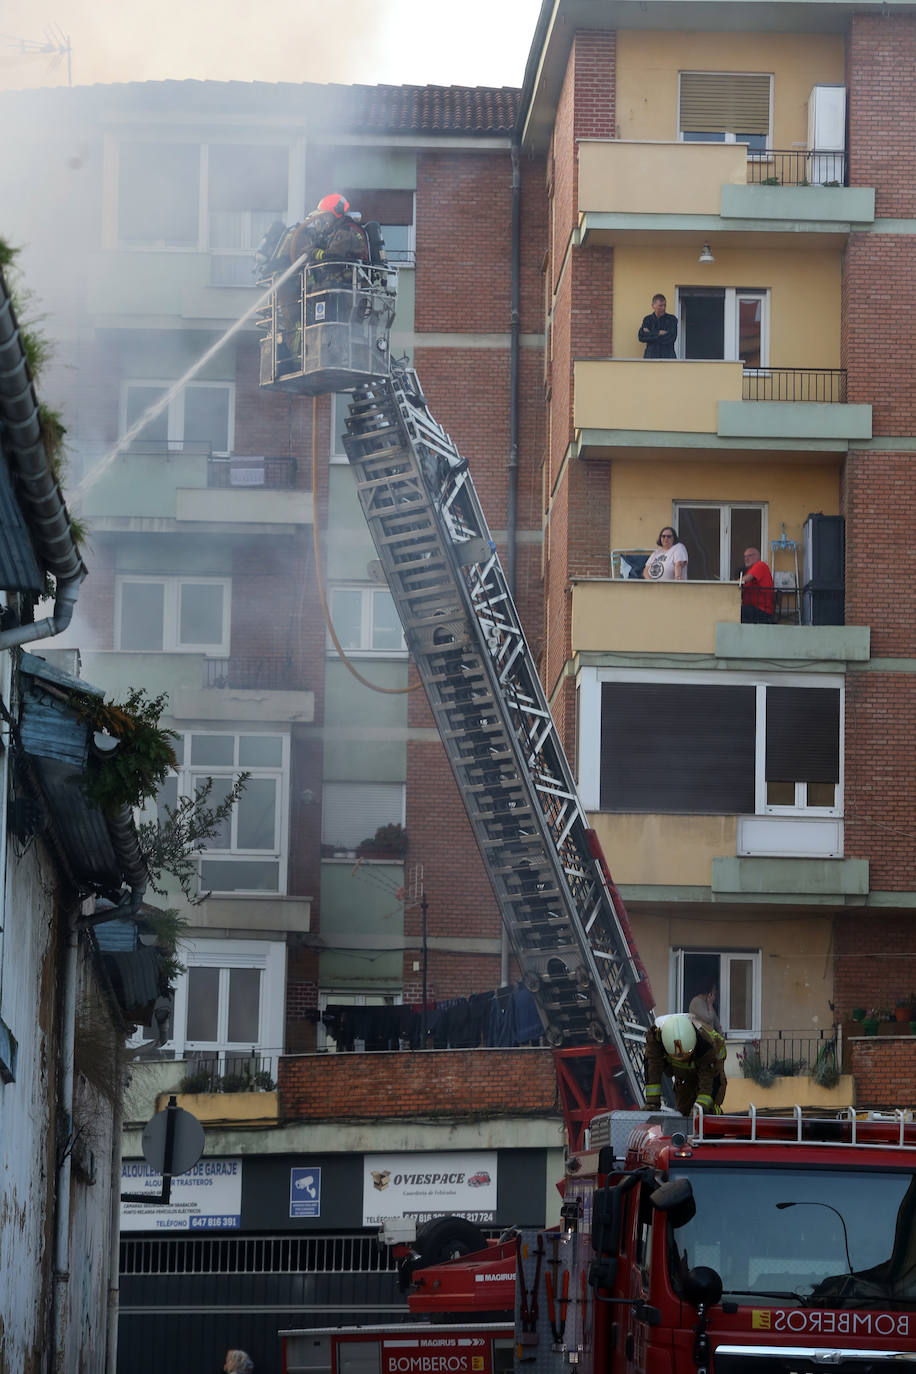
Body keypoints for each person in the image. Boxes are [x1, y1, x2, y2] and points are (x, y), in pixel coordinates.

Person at [644, 1013, 727, 1115]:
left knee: (708, 1109)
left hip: (712, 1071)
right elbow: (653, 1069)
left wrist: (701, 1107)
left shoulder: (706, 1044)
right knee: (684, 1110)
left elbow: (708, 1082)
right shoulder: (655, 1038)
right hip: (684, 1076)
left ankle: (715, 1121)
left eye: (686, 1055)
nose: (682, 1060)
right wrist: (652, 1103)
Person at [740, 547, 775, 623]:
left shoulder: (760, 565)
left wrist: (732, 584)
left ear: (757, 556)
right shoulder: (750, 570)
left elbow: (743, 580)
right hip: (755, 609)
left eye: (749, 555)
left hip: (761, 610)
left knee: (732, 611)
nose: (746, 558)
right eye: (745, 556)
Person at [638, 293, 678, 358]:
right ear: (653, 306)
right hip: (650, 358)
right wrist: (658, 333)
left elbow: (671, 338)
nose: (663, 308)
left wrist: (650, 334)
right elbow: (641, 337)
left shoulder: (672, 319)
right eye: (660, 306)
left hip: (667, 357)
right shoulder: (647, 319)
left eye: (665, 305)